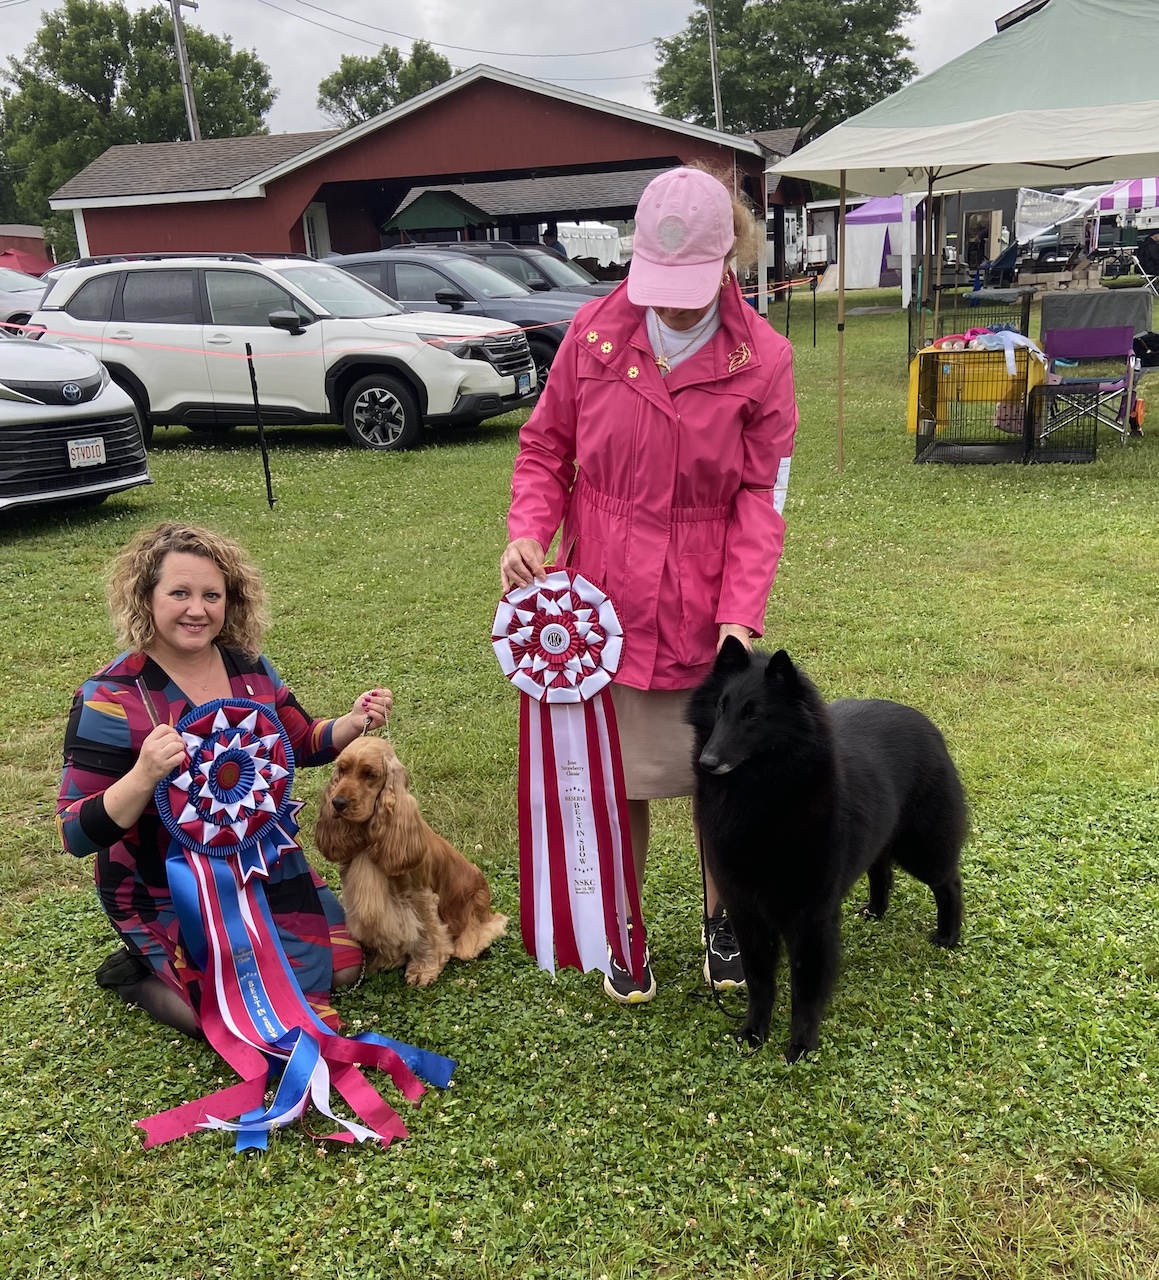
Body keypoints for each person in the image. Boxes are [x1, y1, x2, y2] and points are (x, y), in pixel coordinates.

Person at [501, 166, 798, 1005]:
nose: (671, 306)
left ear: (730, 258)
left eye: (689, 288)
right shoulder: (591, 333)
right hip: (597, 608)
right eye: (657, 285)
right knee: (613, 779)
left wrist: (740, 615)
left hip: (704, 609)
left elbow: (759, 497)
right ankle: (620, 923)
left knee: (718, 775)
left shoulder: (764, 360)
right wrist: (528, 530)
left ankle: (723, 919)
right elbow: (544, 449)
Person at [57, 522, 391, 1038]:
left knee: (344, 968)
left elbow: (300, 742)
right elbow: (75, 832)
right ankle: (138, 975)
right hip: (166, 886)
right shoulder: (109, 697)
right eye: (180, 593)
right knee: (229, 1014)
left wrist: (350, 723)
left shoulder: (249, 667)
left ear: (230, 601)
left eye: (212, 595)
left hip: (263, 865)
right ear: (146, 597)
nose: (197, 609)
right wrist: (144, 774)